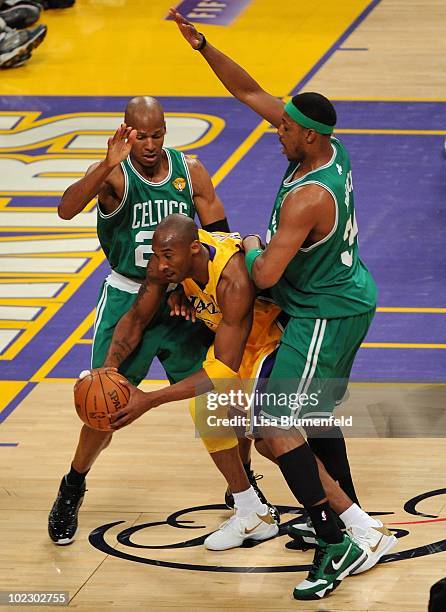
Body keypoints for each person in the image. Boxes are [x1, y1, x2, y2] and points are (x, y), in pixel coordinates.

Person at [166, 11, 397, 601]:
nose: (277, 131)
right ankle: (356, 524)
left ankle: (340, 536)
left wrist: (246, 245)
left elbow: (265, 272)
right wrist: (203, 46)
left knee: (273, 425)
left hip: (327, 312)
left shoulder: (308, 198)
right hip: (329, 299)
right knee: (307, 416)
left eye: (287, 129)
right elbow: (247, 91)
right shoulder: (321, 146)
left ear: (309, 137)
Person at [105, 216, 399, 601]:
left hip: (278, 341)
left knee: (273, 437)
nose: (159, 266)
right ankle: (253, 514)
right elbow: (137, 317)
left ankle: (358, 529)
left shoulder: (233, 281)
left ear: (193, 249)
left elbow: (220, 370)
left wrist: (149, 399)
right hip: (246, 349)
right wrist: (108, 369)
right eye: (157, 257)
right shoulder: (173, 260)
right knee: (216, 415)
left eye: (166, 257)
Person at [48, 95, 270, 545]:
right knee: (103, 401)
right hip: (129, 296)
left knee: (219, 395)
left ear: (165, 131)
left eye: (156, 134)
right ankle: (73, 484)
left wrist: (198, 286)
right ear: (126, 131)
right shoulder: (114, 174)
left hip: (179, 298)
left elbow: (218, 231)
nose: (149, 144)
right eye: (140, 135)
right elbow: (66, 209)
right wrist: (103, 165)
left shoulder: (190, 170)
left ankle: (242, 488)